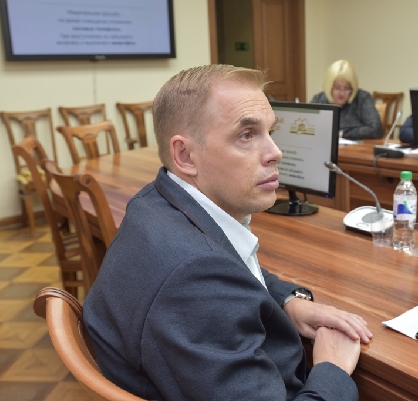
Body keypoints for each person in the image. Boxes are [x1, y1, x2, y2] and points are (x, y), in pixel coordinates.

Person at [83, 65, 373, 401]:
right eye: (246, 135)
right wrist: (333, 369)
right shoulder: (196, 277)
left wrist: (287, 301)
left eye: (270, 131)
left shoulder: (155, 202)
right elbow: (209, 276)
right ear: (185, 155)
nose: (275, 152)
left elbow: (228, 266)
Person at [311, 59, 383, 139]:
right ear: (329, 86)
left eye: (347, 88)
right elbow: (308, 127)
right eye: (337, 88)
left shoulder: (362, 99)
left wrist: (342, 134)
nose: (342, 93)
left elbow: (376, 130)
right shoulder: (319, 99)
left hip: (357, 146)